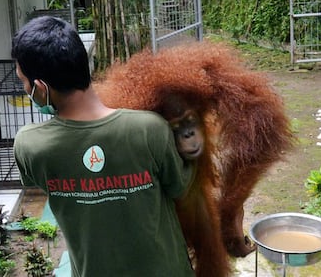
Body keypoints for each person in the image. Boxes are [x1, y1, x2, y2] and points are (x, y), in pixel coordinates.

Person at [12, 16, 196, 276]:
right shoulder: (149, 129)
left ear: (40, 87)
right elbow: (180, 186)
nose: (25, 88)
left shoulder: (30, 145)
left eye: (23, 81)